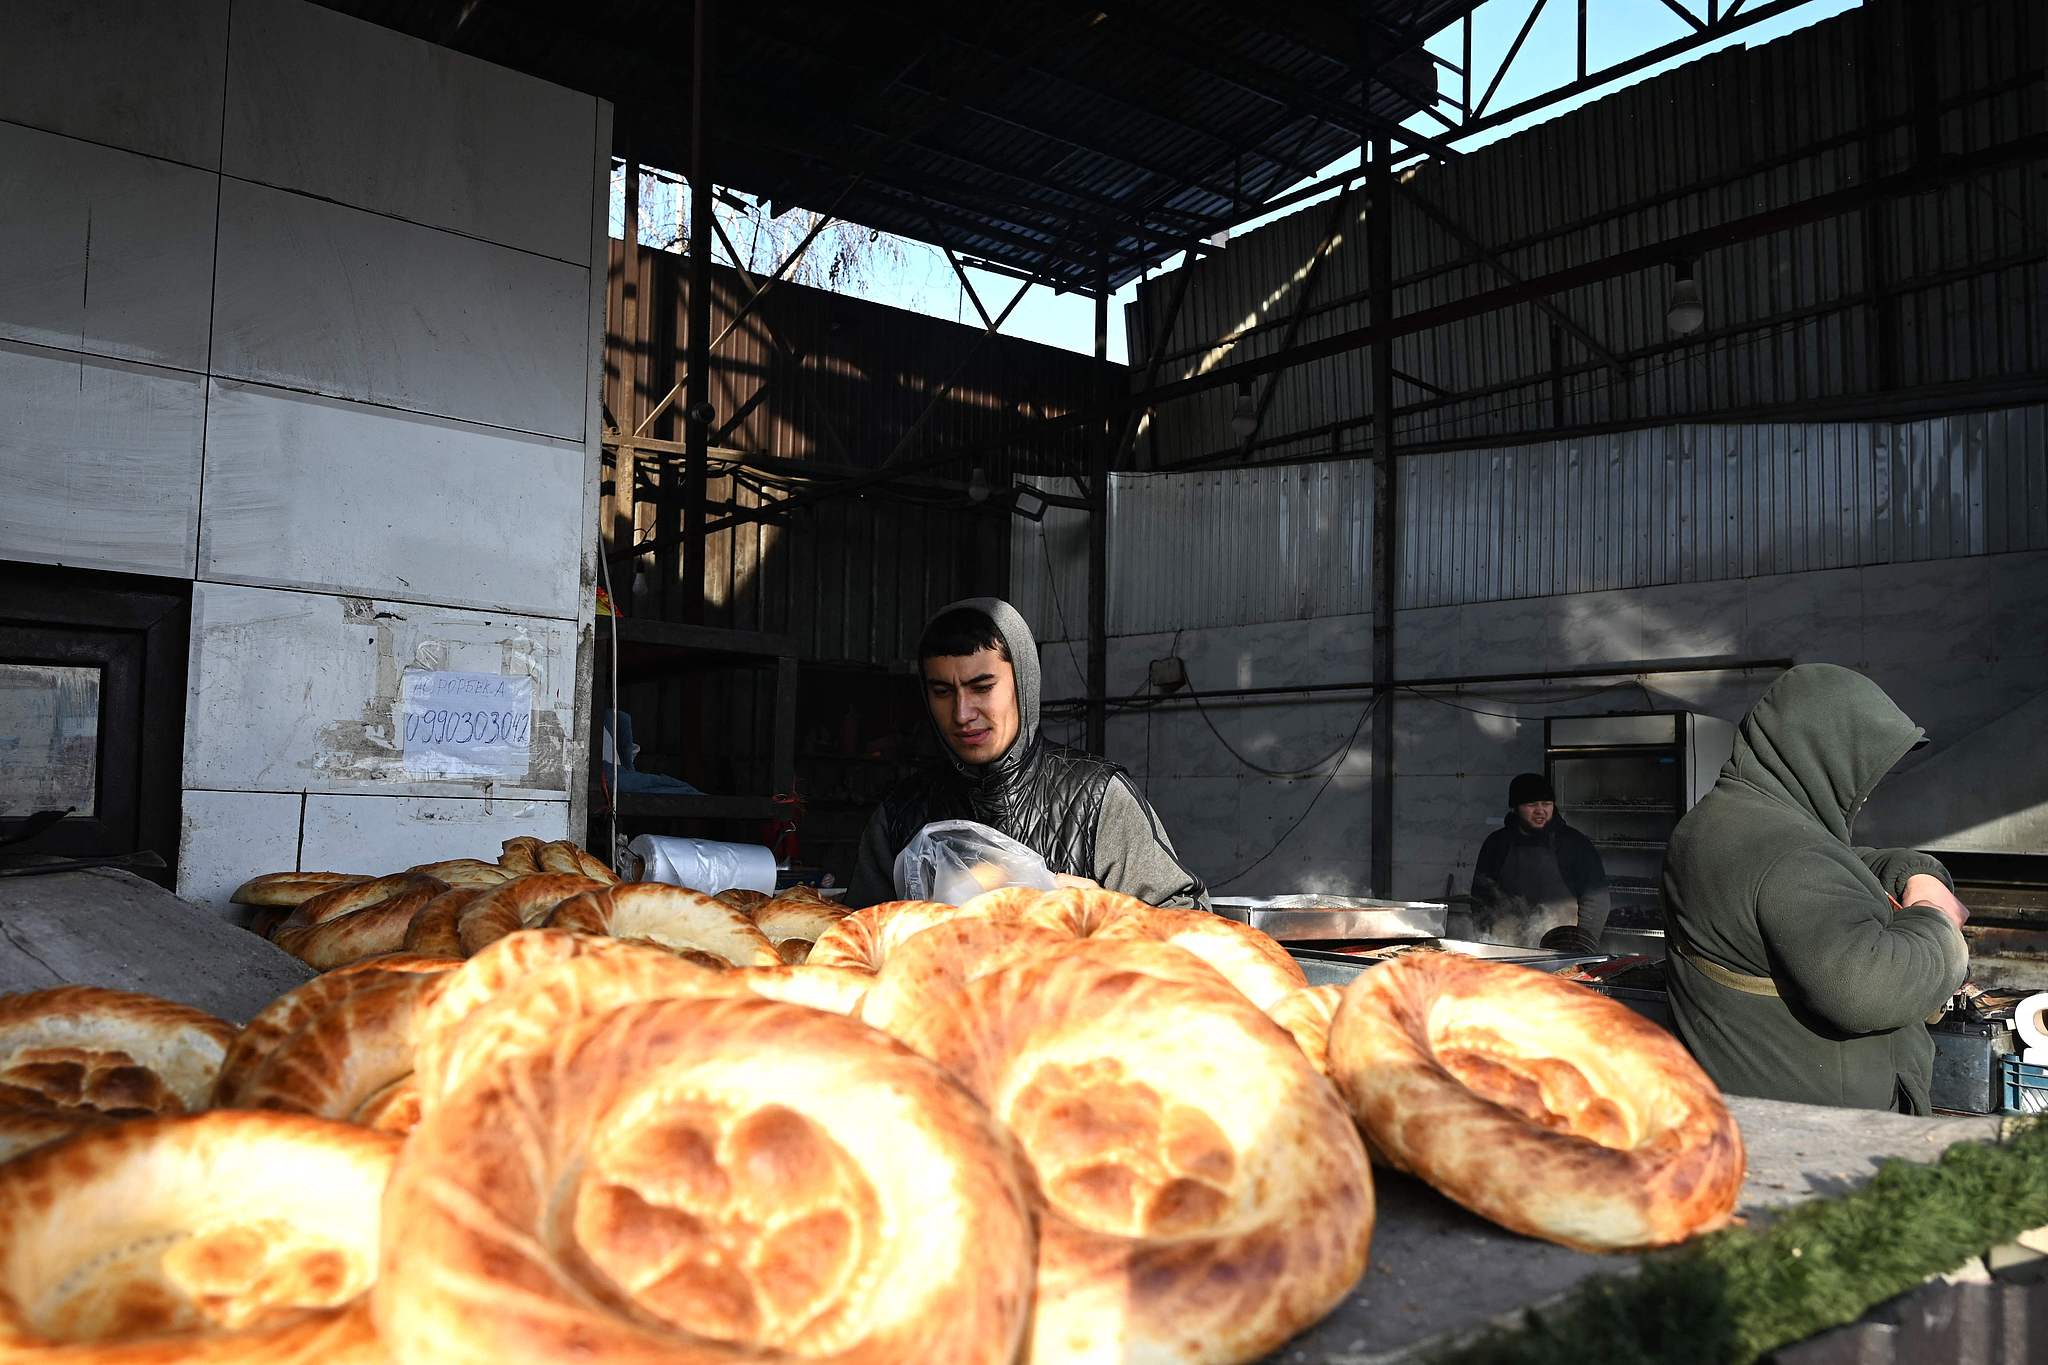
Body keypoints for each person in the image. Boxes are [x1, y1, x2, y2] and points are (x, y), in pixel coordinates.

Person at [1662, 663, 1970, 1115]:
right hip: (1819, 1131)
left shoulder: (1728, 821)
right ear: (1823, 752)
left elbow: (1841, 866)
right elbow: (1867, 988)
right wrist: (1935, 918)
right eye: (1863, 769)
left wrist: (1915, 872)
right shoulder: (1786, 853)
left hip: (1746, 1109)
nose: (1866, 791)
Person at [847, 597, 1208, 910]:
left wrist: (1108, 908)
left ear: (1023, 682)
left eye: (982, 687)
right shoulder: (900, 817)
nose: (962, 713)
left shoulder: (1098, 799)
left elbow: (1192, 929)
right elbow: (854, 945)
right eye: (942, 691)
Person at [1467, 773, 1611, 952]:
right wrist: (1486, 940)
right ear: (1515, 808)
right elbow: (1480, 896)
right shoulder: (1497, 843)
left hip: (1562, 950)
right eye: (1532, 804)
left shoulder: (1574, 843)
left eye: (1547, 804)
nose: (1540, 811)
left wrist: (1581, 946)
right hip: (1507, 946)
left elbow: (1597, 899)